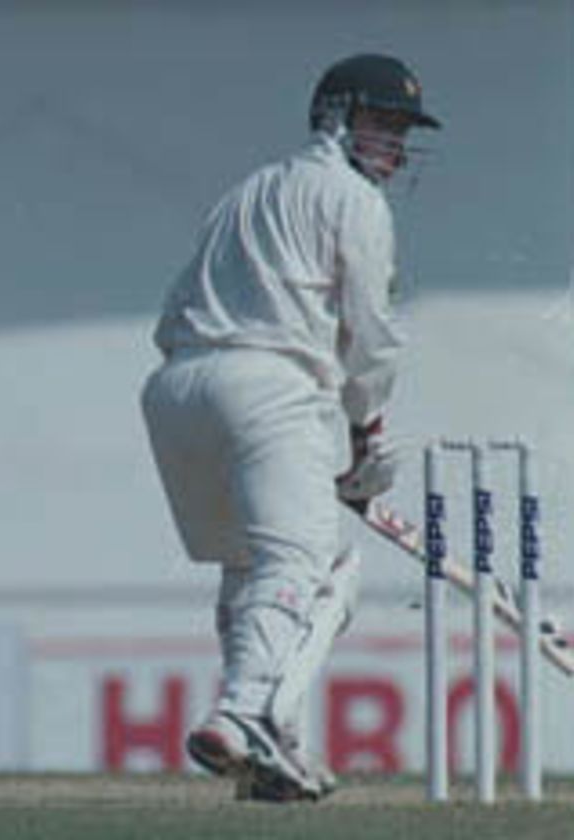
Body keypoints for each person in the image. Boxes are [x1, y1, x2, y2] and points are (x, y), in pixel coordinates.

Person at [140, 54, 440, 802]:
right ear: (336, 117)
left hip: (175, 391)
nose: (393, 147)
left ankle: (276, 752)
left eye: (401, 131)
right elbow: (370, 336)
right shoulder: (355, 201)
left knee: (251, 566)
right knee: (321, 571)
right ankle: (246, 716)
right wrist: (368, 439)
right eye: (381, 124)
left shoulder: (249, 190)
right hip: (266, 386)